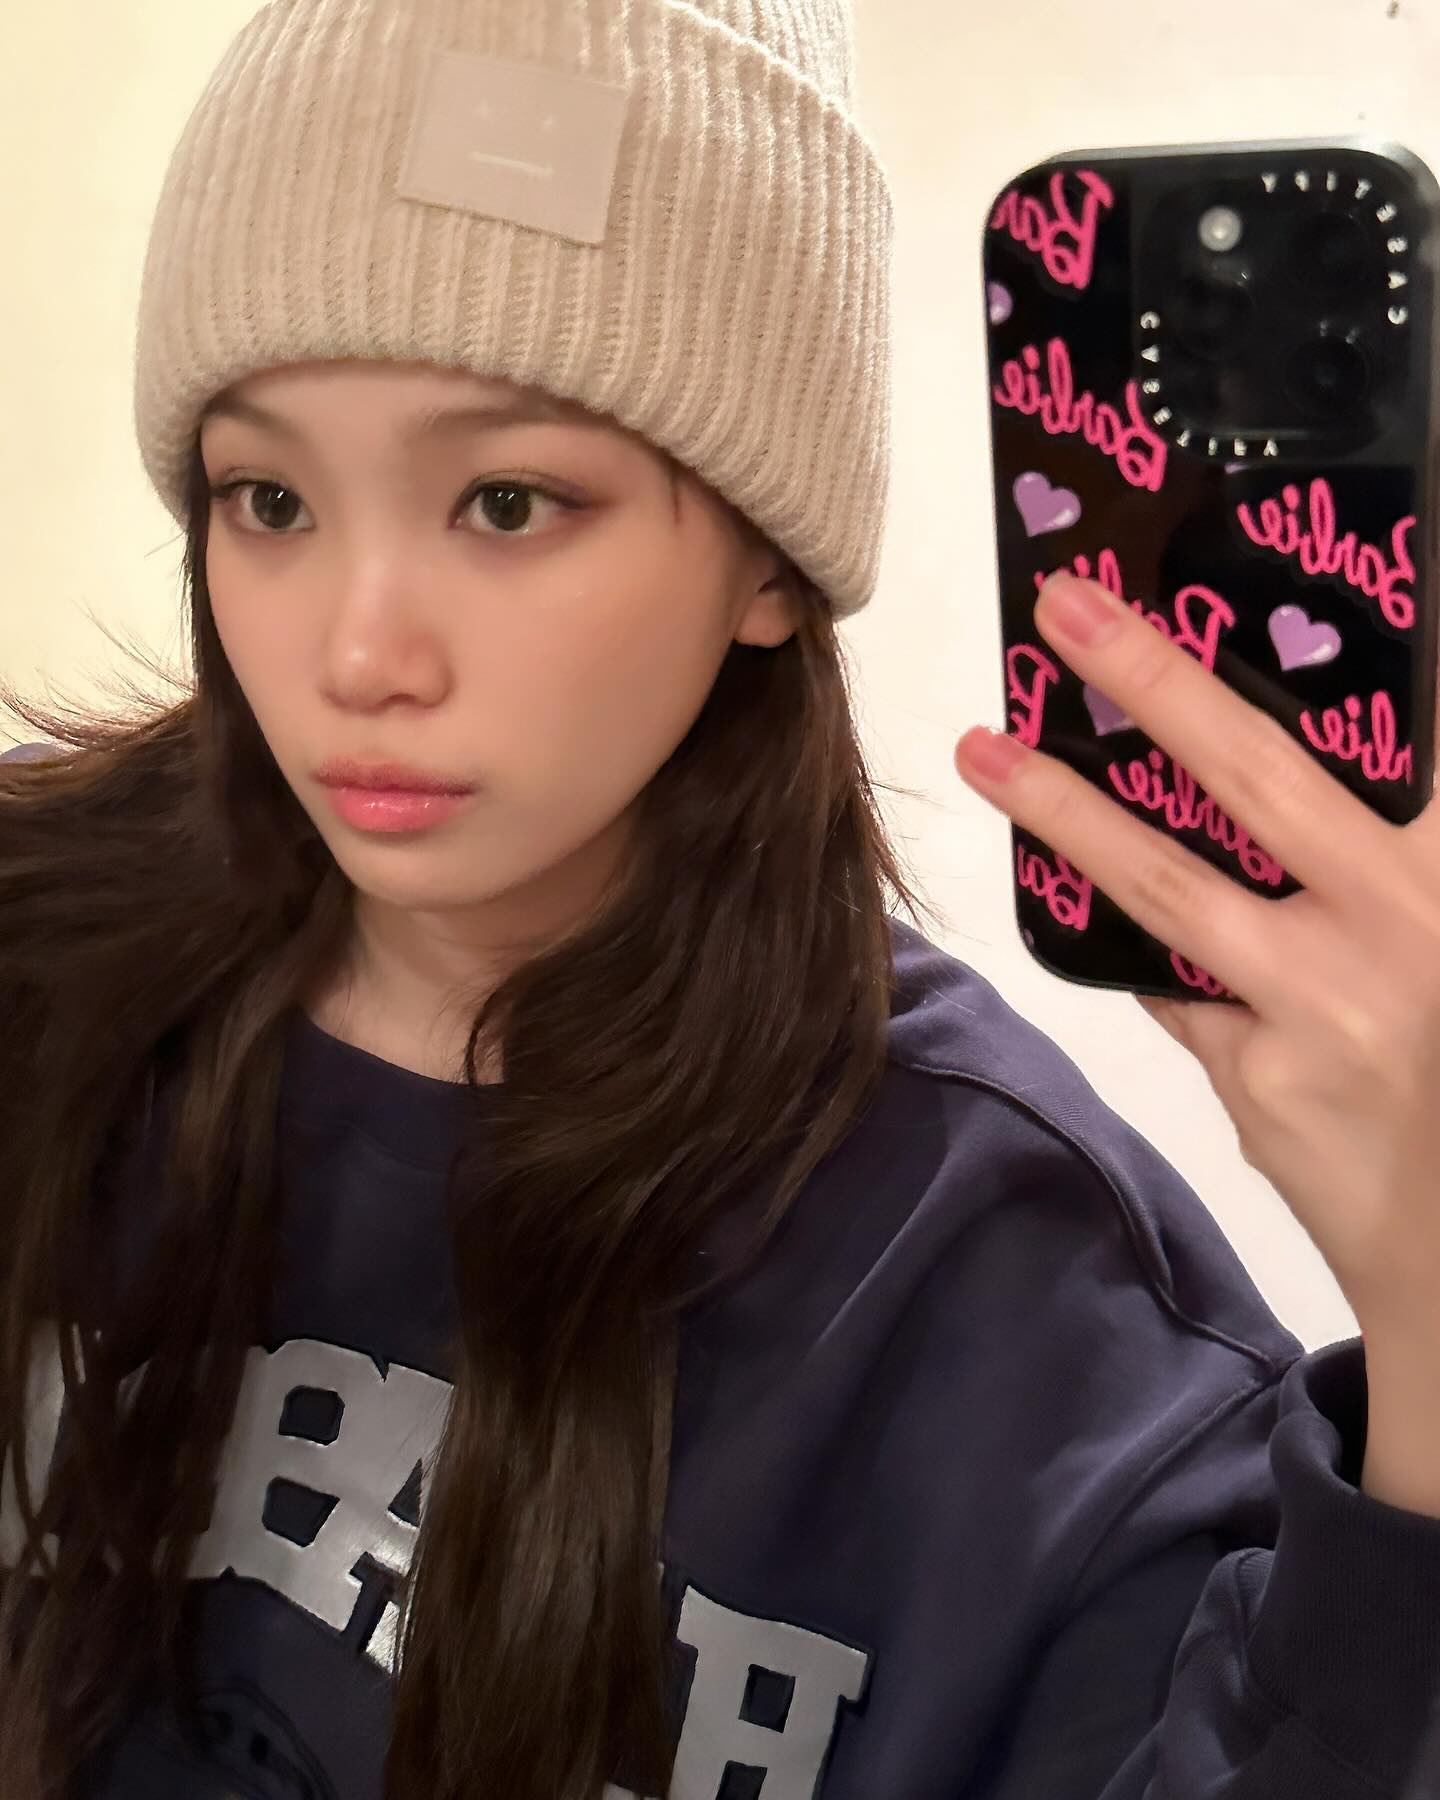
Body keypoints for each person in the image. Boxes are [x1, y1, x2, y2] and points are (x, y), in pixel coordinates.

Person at [2, 0, 1440, 1796]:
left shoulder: (1018, 1316)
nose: (356, 656)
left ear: (770, 563)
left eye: (506, 500)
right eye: (267, 498)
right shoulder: (40, 969)